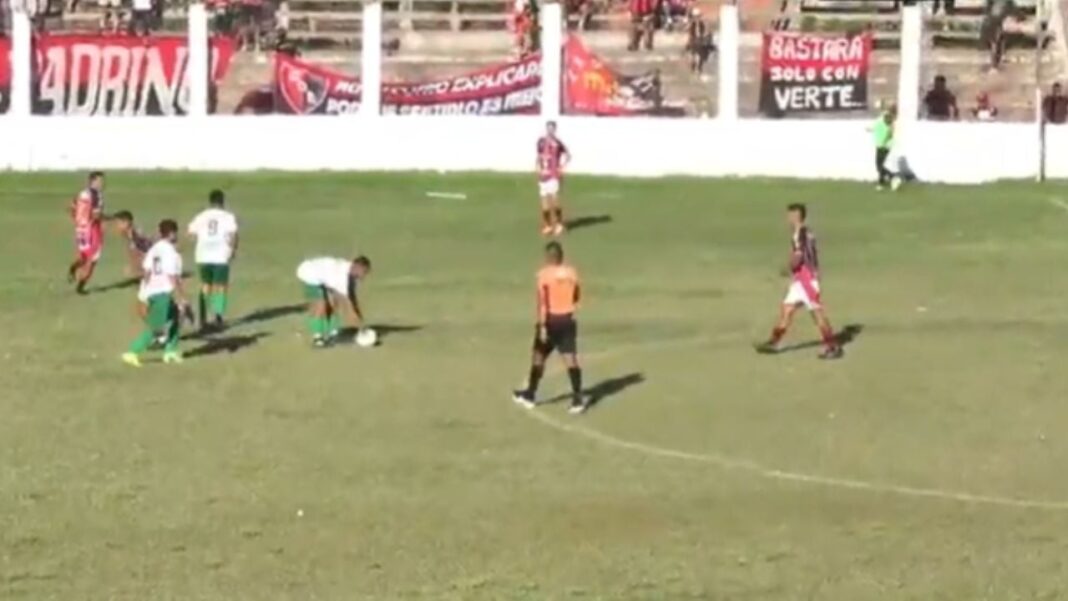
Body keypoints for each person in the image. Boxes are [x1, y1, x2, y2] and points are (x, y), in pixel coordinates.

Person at [756, 204, 843, 360]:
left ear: (797, 216)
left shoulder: (801, 234)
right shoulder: (805, 232)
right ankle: (773, 342)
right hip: (800, 281)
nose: (788, 218)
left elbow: (799, 256)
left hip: (807, 280)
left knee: (817, 313)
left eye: (790, 215)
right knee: (787, 309)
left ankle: (832, 346)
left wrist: (788, 268)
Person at [512, 241, 587, 414]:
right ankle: (578, 399)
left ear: (549, 257)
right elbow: (577, 294)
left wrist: (542, 325)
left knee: (538, 357)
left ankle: (530, 395)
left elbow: (542, 302)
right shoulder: (572, 273)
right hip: (567, 320)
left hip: (550, 320)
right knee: (570, 359)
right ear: (561, 256)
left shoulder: (543, 275)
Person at [122, 220, 192, 367]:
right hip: (162, 293)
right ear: (173, 233)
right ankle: (132, 352)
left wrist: (144, 292)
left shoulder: (154, 250)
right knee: (157, 328)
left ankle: (170, 351)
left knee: (175, 318)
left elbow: (146, 272)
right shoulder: (171, 253)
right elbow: (173, 277)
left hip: (152, 291)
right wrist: (182, 296)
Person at [187, 190, 239, 331]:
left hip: (203, 255)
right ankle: (217, 316)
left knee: (205, 285)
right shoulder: (228, 217)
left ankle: (203, 317)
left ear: (210, 202)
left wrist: (202, 240)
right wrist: (233, 250)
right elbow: (233, 235)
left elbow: (191, 234)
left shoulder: (201, 216)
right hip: (220, 254)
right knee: (220, 286)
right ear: (222, 201)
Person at [296, 256, 372, 348]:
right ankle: (317, 338)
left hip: (324, 275)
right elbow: (349, 305)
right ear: (356, 267)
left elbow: (352, 299)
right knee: (321, 305)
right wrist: (361, 327)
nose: (363, 275)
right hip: (309, 273)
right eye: (363, 272)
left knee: (334, 301)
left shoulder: (350, 272)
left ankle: (333, 331)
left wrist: (359, 321)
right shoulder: (342, 278)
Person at [67, 171, 108, 295]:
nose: (102, 183)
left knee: (84, 256)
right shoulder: (96, 195)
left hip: (80, 229)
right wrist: (108, 218)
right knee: (92, 259)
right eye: (100, 181)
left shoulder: (82, 193)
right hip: (92, 230)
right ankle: (80, 287)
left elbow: (71, 207)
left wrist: (78, 221)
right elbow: (96, 215)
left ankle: (73, 268)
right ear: (93, 181)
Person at [536, 121, 571, 236]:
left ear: (555, 129)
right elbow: (538, 157)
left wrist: (561, 168)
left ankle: (559, 223)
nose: (550, 130)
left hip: (553, 175)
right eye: (548, 128)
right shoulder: (540, 142)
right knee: (544, 204)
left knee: (555, 202)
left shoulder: (558, 143)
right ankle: (548, 225)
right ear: (546, 129)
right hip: (543, 176)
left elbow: (568, 155)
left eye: (552, 128)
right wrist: (537, 169)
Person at [112, 210, 155, 277]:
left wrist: (133, 267)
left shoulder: (135, 235)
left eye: (118, 224)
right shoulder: (129, 234)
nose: (117, 226)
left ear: (126, 222)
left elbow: (143, 251)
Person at [871, 104, 899, 191]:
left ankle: (892, 178)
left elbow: (890, 133)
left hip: (883, 145)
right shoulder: (888, 117)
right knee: (880, 165)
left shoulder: (889, 118)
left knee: (879, 165)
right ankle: (882, 182)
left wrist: (884, 141)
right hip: (883, 145)